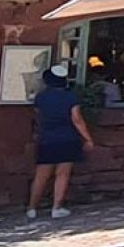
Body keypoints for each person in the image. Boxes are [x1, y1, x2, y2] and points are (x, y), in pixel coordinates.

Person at [27, 64, 96, 220]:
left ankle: (32, 207)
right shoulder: (70, 97)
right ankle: (56, 207)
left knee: (41, 175)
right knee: (62, 174)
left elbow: (37, 116)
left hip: (47, 138)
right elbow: (77, 119)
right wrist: (87, 138)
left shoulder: (41, 97)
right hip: (67, 138)